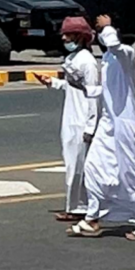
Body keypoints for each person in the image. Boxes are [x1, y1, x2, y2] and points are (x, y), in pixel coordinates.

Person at [66, 15, 135, 242]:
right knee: (94, 169)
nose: (100, 35)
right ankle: (92, 219)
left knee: (130, 173)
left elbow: (115, 45)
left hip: (124, 125)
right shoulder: (108, 58)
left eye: (103, 32)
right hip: (108, 125)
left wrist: (107, 26)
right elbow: (105, 92)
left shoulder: (125, 54)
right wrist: (74, 85)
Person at [36, 16, 100, 222]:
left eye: (68, 34)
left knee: (78, 165)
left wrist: (91, 126)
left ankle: (80, 207)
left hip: (82, 120)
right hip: (70, 118)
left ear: (80, 37)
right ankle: (77, 205)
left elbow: (93, 95)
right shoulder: (72, 59)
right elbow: (73, 88)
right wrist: (53, 82)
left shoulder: (88, 62)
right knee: (72, 163)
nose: (64, 38)